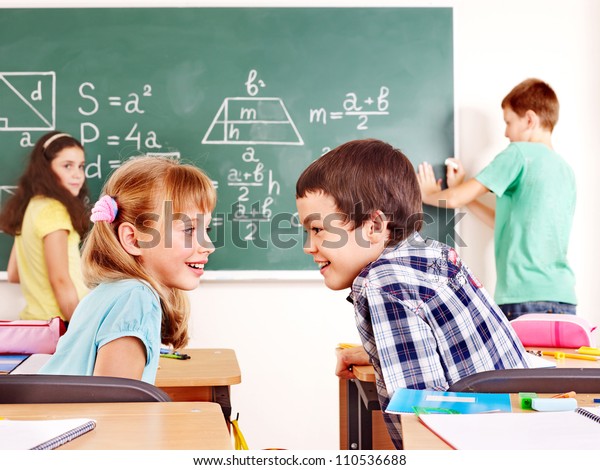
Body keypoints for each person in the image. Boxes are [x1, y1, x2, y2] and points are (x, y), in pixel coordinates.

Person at [295, 138, 530, 449]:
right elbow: (446, 348)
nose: (308, 246)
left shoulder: (382, 283)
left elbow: (422, 415)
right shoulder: (432, 255)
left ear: (374, 225)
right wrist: (375, 350)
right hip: (520, 433)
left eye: (318, 230)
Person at [40, 156, 216, 384]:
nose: (208, 246)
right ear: (133, 239)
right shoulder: (136, 300)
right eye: (190, 230)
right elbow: (114, 408)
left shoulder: (115, 291)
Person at [417, 78, 576, 320]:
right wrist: (464, 194)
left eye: (509, 122)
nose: (506, 132)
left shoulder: (519, 154)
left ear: (530, 119)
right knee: (557, 361)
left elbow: (455, 198)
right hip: (564, 299)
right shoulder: (565, 170)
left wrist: (428, 194)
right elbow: (501, 221)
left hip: (523, 298)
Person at [0, 131, 90, 323]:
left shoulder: (31, 207)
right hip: (60, 323)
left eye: (81, 166)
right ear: (45, 169)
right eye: (67, 166)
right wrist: (83, 329)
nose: (77, 175)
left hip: (38, 323)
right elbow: (60, 280)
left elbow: (14, 274)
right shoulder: (54, 211)